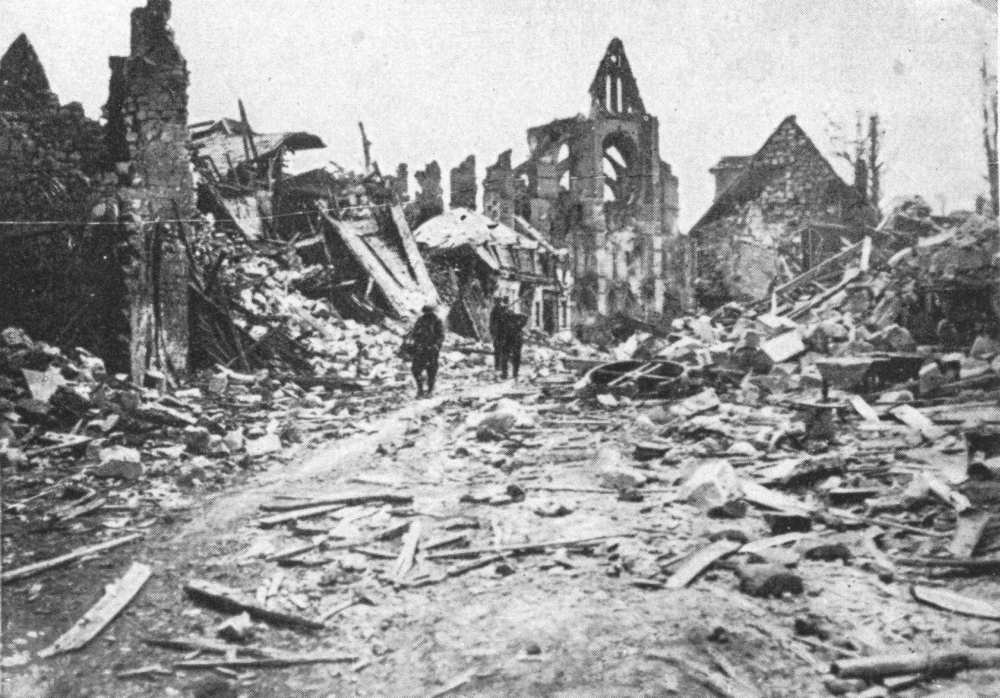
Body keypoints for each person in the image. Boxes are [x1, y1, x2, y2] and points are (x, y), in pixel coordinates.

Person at [409, 304, 444, 397]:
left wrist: (436, 345)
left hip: (431, 349)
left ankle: (430, 390)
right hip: (420, 348)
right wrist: (416, 340)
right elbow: (414, 333)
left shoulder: (437, 321)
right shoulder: (420, 320)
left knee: (431, 370)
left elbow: (441, 336)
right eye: (425, 312)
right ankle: (420, 389)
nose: (427, 314)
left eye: (428, 312)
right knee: (415, 370)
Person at [499, 307, 528, 380]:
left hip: (515, 339)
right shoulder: (504, 319)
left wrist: (519, 325)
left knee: (515, 356)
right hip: (508, 339)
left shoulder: (515, 318)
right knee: (506, 357)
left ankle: (513, 373)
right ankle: (506, 373)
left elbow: (525, 317)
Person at [489, 296, 508, 374]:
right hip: (498, 333)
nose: (498, 303)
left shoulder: (501, 309)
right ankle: (498, 365)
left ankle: (499, 365)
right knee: (499, 350)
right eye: (497, 302)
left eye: (499, 302)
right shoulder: (495, 310)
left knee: (500, 350)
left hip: (500, 333)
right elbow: (492, 322)